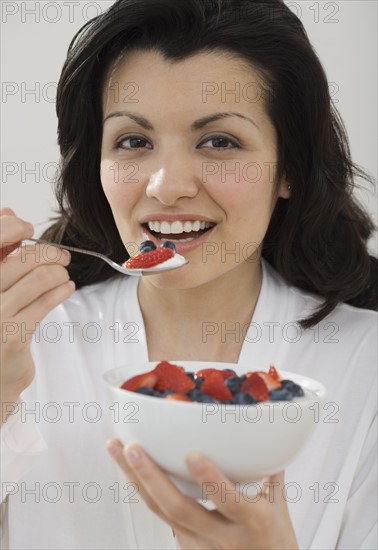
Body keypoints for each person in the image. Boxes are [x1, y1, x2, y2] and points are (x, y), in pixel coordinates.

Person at [1, 0, 377, 548]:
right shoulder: (29, 345)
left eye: (218, 142)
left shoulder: (366, 368)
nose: (166, 185)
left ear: (289, 169)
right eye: (134, 141)